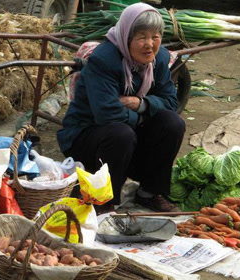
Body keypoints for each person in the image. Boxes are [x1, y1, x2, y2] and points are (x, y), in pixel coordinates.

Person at [57, 3, 185, 213]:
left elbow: (170, 102)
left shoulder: (159, 58)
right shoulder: (104, 60)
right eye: (142, 37)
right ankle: (105, 202)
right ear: (126, 37)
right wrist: (143, 119)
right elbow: (107, 114)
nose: (150, 44)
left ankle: (150, 193)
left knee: (172, 123)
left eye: (155, 36)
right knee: (121, 133)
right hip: (87, 136)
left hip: (126, 134)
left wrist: (140, 104)